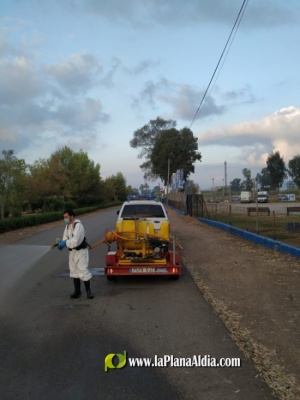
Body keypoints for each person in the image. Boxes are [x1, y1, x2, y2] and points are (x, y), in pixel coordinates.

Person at [57, 209, 93, 299]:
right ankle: (77, 291)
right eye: (64, 217)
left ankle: (89, 291)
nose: (65, 219)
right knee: (74, 271)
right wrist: (62, 243)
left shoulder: (78, 226)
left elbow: (76, 241)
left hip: (81, 252)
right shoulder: (68, 226)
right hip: (72, 252)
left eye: (66, 217)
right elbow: (65, 237)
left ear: (71, 216)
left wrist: (65, 243)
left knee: (83, 270)